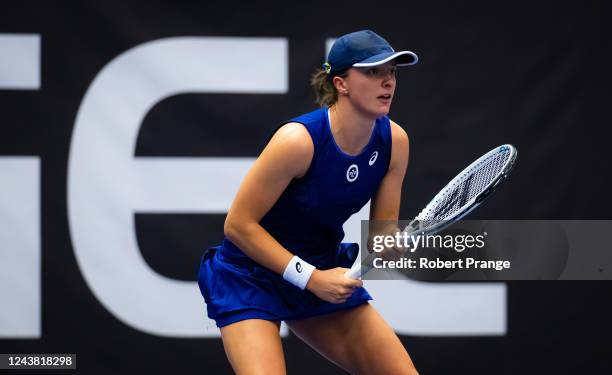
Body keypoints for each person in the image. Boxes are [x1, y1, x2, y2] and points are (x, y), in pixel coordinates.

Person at [198, 29, 419, 374]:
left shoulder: (395, 142)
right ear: (341, 83)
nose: (387, 81)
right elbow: (238, 226)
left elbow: (381, 234)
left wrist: (389, 244)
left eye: (391, 72)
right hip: (250, 276)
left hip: (321, 266)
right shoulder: (297, 142)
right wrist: (311, 278)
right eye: (373, 71)